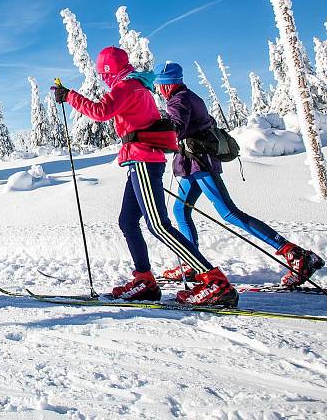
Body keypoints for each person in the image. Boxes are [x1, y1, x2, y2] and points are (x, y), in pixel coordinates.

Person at [53, 46, 238, 306]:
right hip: (138, 160)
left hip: (143, 160)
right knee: (127, 221)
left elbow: (100, 112)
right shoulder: (134, 85)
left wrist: (70, 96)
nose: (103, 78)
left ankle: (214, 280)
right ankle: (145, 280)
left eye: (103, 72)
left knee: (158, 225)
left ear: (109, 70)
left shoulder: (126, 87)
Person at [154, 61, 325, 288]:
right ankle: (191, 261)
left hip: (199, 163)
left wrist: (150, 137)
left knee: (228, 213)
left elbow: (175, 130)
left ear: (166, 84)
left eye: (158, 85)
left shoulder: (178, 101)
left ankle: (294, 253)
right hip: (192, 164)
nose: (157, 89)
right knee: (180, 209)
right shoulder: (189, 96)